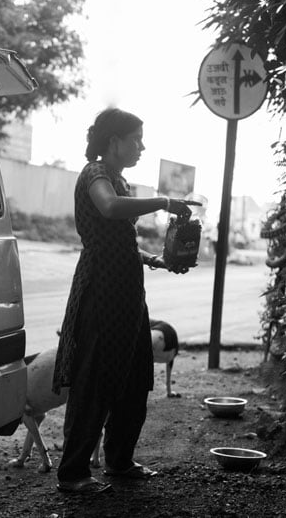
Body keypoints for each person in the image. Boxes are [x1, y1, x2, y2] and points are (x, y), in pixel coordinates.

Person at [53, 107, 198, 494]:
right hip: (100, 291)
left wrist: (153, 259)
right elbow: (109, 209)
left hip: (128, 294)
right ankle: (73, 473)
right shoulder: (96, 174)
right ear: (114, 141)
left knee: (134, 378)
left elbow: (120, 241)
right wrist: (163, 201)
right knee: (94, 380)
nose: (142, 147)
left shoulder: (120, 179)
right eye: (136, 139)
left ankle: (119, 460)